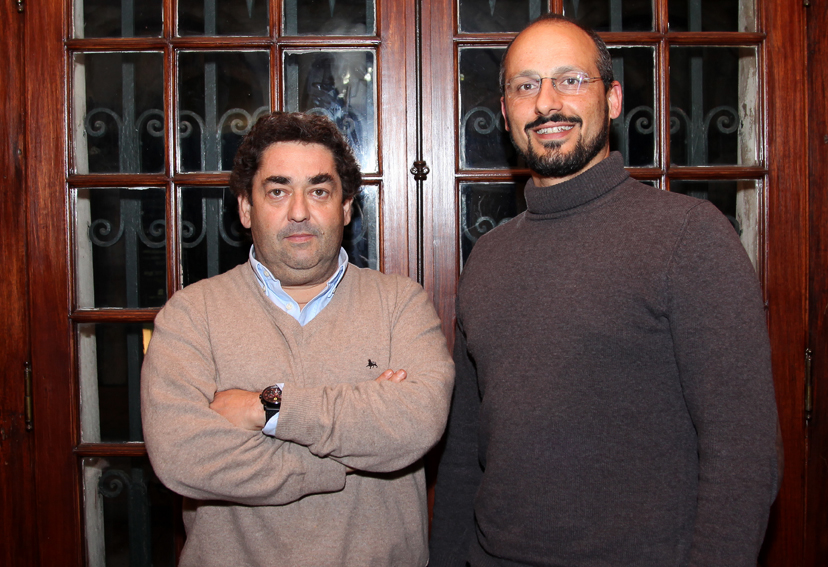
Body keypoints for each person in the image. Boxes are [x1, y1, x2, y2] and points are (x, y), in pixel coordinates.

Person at [429, 13, 780, 567]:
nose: (546, 103)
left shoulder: (688, 237)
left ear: (612, 100)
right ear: (505, 111)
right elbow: (463, 450)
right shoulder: (488, 258)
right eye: (526, 85)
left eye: (570, 80)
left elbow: (745, 451)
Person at [141, 112, 454, 566]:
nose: (300, 211)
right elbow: (182, 456)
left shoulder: (400, 304)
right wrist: (349, 455)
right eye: (278, 191)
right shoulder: (191, 316)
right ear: (245, 208)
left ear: (346, 207)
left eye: (319, 191)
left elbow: (417, 423)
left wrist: (266, 408)